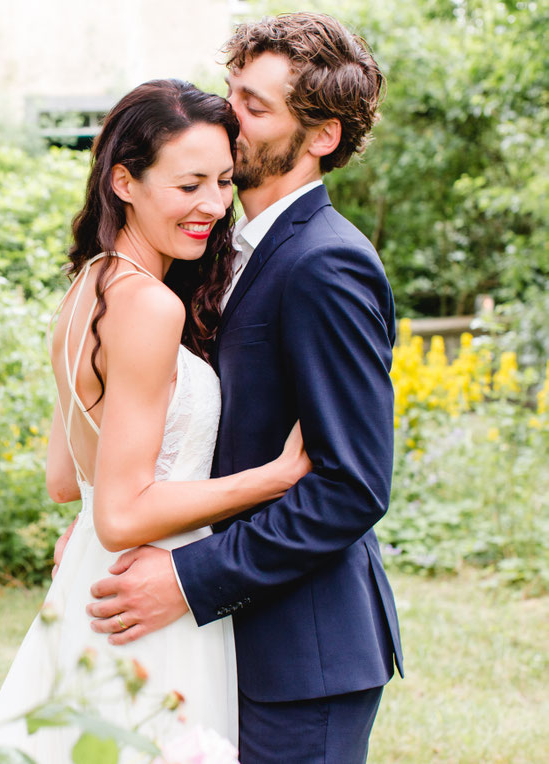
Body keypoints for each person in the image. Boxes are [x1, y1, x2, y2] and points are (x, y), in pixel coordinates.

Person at [85, 13, 404, 763]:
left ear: (321, 136)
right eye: (232, 92)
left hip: (305, 656)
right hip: (230, 645)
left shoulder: (326, 264)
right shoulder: (222, 250)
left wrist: (191, 580)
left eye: (256, 107)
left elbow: (352, 486)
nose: (229, 116)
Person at [0, 80, 311, 762]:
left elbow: (68, 480)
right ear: (123, 181)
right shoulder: (150, 307)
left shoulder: (88, 289)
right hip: (153, 596)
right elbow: (121, 516)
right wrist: (273, 477)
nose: (214, 206)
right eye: (188, 186)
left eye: (222, 181)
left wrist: (104, 510)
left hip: (95, 588)